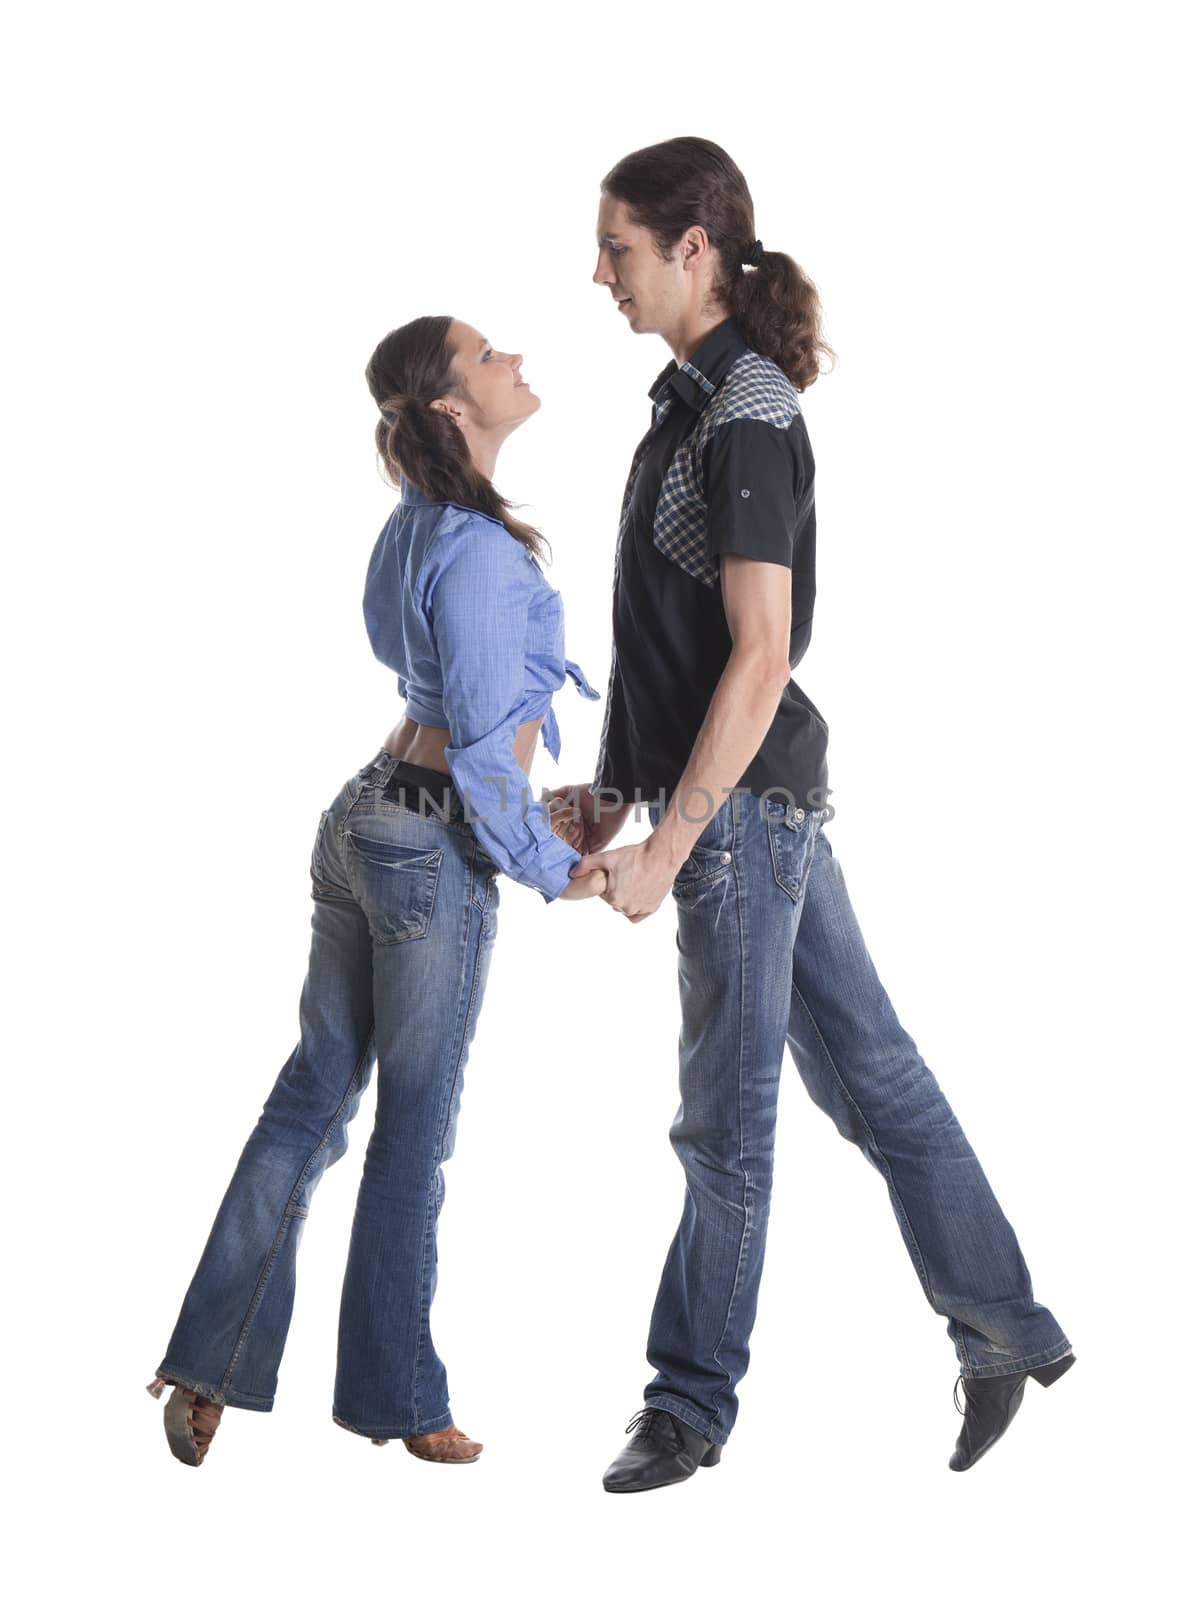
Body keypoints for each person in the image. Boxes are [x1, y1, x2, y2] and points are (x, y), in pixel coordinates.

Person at [550, 136, 1076, 1492]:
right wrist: (611, 796)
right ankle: (1006, 1327)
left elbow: (760, 651)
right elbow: (666, 643)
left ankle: (687, 1408)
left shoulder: (749, 409)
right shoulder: (685, 407)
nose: (596, 271)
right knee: (876, 1075)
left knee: (725, 1126)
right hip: (739, 807)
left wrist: (666, 845)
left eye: (616, 246)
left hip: (737, 822)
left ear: (693, 249)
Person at [145, 314, 607, 1467]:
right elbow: (489, 767)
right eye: (490, 354)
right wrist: (567, 872)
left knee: (309, 1100)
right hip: (425, 843)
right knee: (413, 1132)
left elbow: (449, 717)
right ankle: (399, 1397)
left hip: (362, 814)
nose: (515, 360)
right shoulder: (489, 553)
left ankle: (206, 1361)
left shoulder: (414, 528)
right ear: (454, 405)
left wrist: (514, 810)